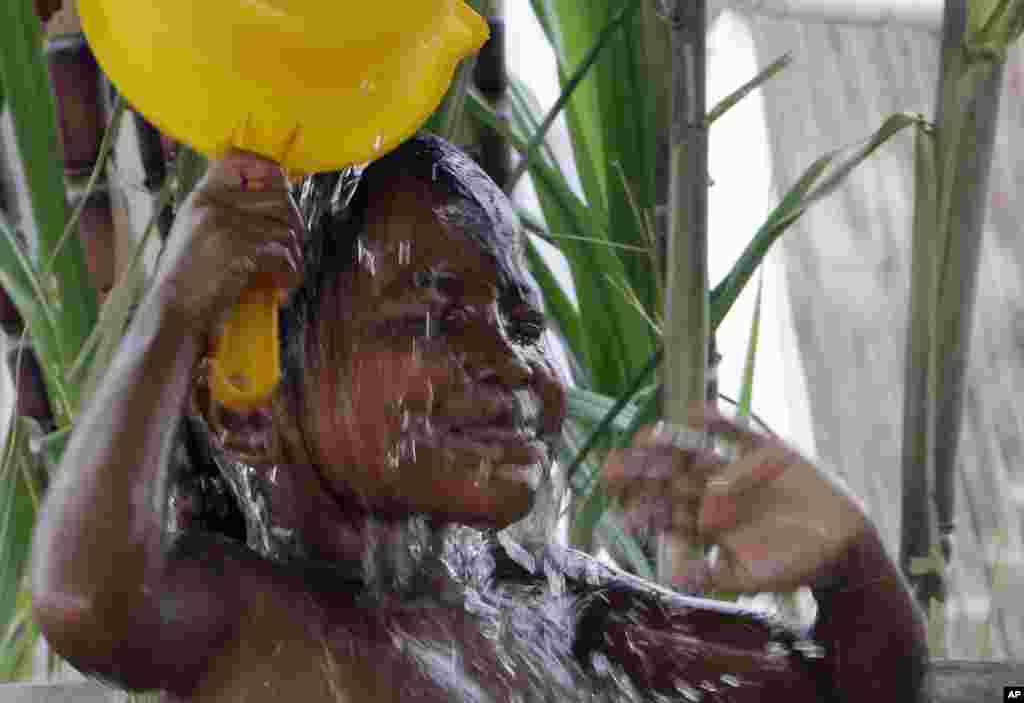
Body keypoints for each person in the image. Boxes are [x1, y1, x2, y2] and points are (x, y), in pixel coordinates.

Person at [30, 135, 927, 702]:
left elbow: (842, 689)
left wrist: (849, 564)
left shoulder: (549, 601)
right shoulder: (255, 621)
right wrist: (179, 309)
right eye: (427, 316)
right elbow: (84, 599)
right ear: (251, 411)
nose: (508, 364)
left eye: (525, 321)